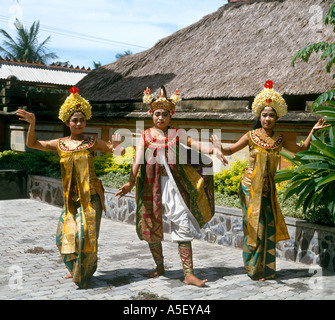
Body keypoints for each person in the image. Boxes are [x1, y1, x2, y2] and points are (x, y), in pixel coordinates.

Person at [211, 80, 330, 281]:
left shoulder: (280, 139)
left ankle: (267, 269)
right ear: (259, 116)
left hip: (267, 191)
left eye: (271, 115)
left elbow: (301, 149)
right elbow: (230, 150)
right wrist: (217, 145)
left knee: (268, 229)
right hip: (249, 188)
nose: (267, 118)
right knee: (254, 229)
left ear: (276, 118)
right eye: (264, 115)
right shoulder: (251, 136)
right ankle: (252, 269)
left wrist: (312, 132)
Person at [116, 86, 228, 287]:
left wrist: (215, 151)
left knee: (182, 224)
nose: (160, 118)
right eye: (157, 114)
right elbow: (138, 161)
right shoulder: (145, 135)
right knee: (151, 225)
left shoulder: (177, 133)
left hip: (174, 186)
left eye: (165, 114)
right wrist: (130, 182)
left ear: (170, 116)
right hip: (150, 186)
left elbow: (197, 146)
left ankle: (188, 274)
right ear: (151, 114)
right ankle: (159, 266)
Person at [16, 87, 123, 289]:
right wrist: (32, 123)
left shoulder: (91, 142)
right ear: (67, 122)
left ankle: (84, 274)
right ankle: (74, 268)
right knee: (62, 238)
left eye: (82, 120)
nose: (79, 123)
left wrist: (117, 145)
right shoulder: (60, 143)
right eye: (74, 120)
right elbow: (33, 144)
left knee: (86, 238)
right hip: (70, 201)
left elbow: (115, 151)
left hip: (91, 198)